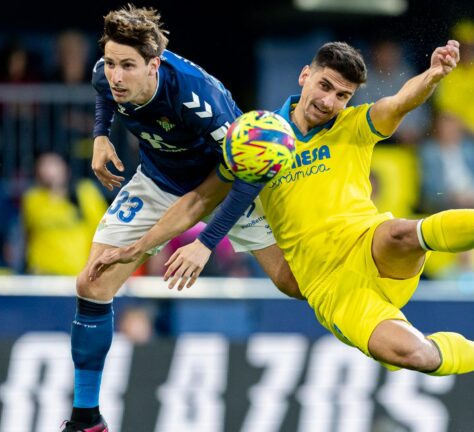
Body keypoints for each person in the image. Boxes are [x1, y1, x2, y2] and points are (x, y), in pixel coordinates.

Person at [146, 40, 474, 380]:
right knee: (417, 355)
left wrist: (432, 74)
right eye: (325, 86)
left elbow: (401, 102)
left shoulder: (355, 125)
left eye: (342, 95)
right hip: (333, 289)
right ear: (305, 76)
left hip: (370, 247)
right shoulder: (259, 136)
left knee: (399, 233)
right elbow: (209, 197)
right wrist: (148, 247)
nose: (330, 101)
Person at [62, 5, 299, 431]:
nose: (116, 75)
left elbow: (244, 174)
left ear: (154, 65)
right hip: (158, 179)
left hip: (226, 181)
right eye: (112, 63)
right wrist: (100, 136)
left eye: (128, 67)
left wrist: (205, 242)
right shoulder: (105, 72)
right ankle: (86, 419)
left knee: (291, 283)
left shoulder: (198, 98)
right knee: (92, 283)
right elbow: (103, 93)